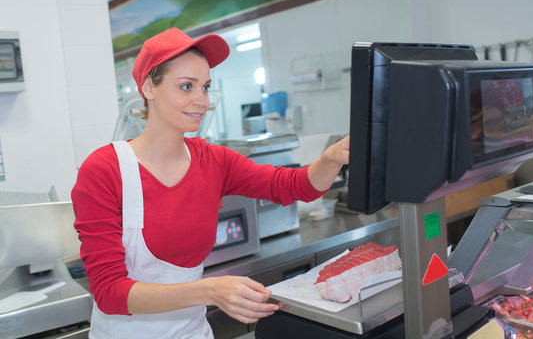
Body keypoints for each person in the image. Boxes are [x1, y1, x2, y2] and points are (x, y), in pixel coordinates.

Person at [71, 27, 349, 339]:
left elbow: (293, 186)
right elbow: (109, 292)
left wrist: (333, 158)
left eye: (205, 87)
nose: (201, 100)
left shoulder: (213, 161)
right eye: (186, 86)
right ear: (149, 87)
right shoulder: (104, 170)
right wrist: (211, 290)